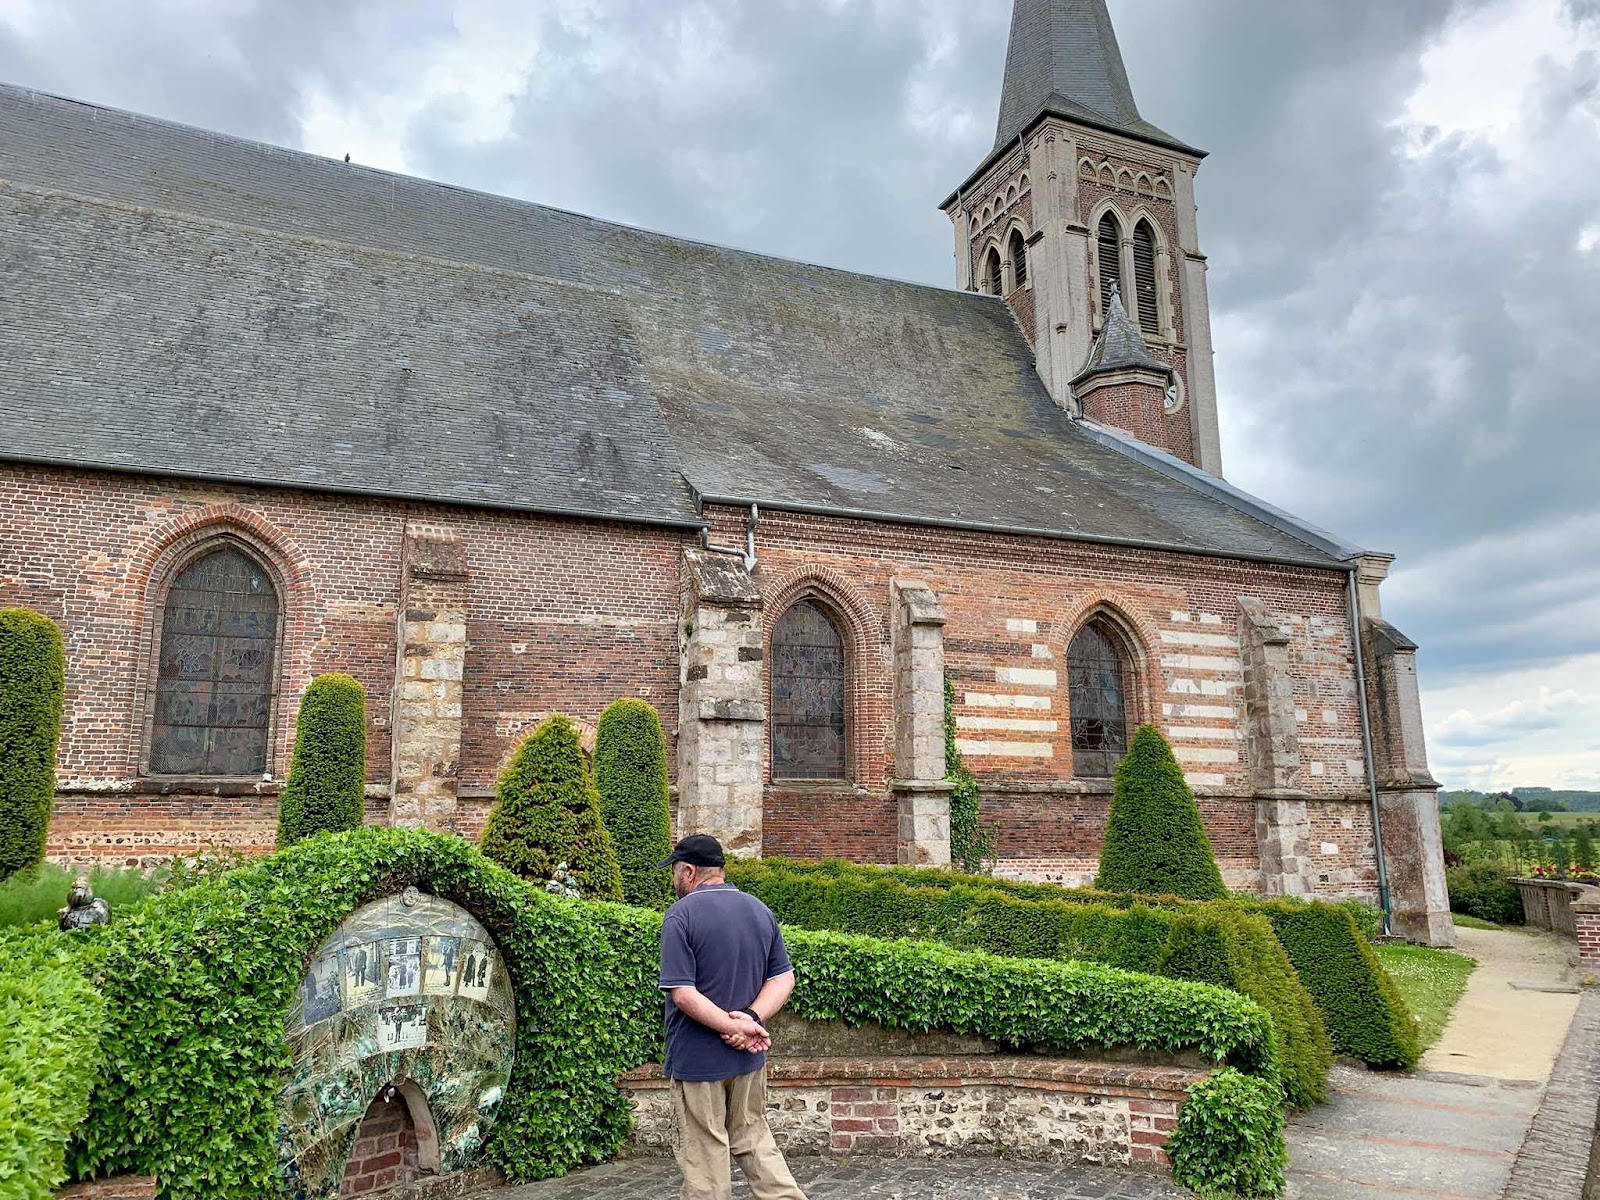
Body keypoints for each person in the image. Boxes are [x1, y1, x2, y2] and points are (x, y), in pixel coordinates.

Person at [657, 834, 807, 1200]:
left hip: (697, 1059)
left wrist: (732, 1026)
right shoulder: (759, 910)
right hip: (748, 1058)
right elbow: (783, 978)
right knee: (754, 1138)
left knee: (705, 1154)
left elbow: (683, 992)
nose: (674, 880)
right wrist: (750, 1021)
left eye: (675, 871)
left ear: (689, 871)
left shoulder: (680, 915)